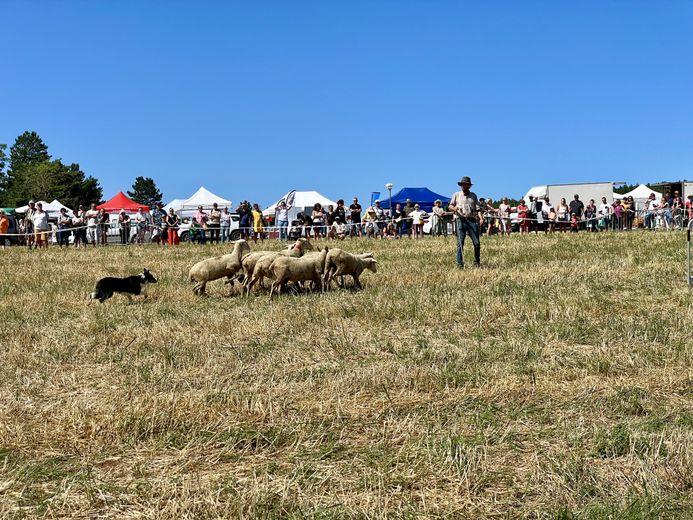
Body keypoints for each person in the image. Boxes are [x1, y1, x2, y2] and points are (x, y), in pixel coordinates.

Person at [449, 176, 481, 268]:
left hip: (471, 220)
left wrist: (481, 218)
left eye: (466, 184)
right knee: (460, 243)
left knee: (477, 243)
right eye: (462, 184)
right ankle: (459, 263)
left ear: (469, 186)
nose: (463, 186)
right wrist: (454, 208)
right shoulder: (456, 194)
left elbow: (478, 209)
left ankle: (477, 262)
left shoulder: (473, 196)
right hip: (460, 220)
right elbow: (450, 206)